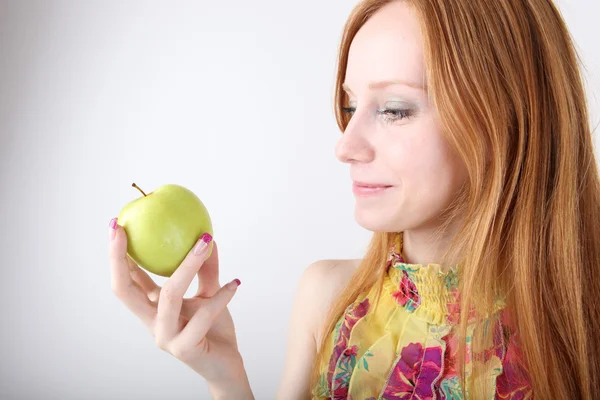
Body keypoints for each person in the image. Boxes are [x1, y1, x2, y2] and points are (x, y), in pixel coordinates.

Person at [108, 0, 600, 398]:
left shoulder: (583, 323)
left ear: (506, 122)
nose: (345, 145)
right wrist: (225, 378)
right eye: (349, 105)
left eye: (394, 108)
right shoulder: (328, 300)